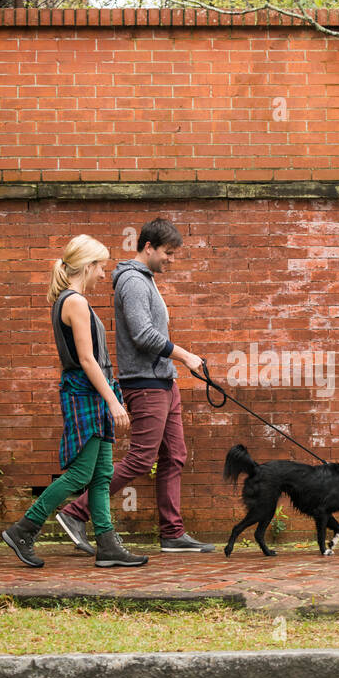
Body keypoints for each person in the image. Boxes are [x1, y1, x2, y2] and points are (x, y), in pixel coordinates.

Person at [55, 217, 215, 554]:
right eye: (168, 253)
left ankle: (172, 533)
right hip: (145, 382)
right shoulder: (132, 282)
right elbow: (142, 335)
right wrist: (184, 355)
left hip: (163, 380)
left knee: (175, 455)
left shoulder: (147, 280)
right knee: (142, 458)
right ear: (148, 247)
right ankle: (74, 512)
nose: (172, 259)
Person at [1, 234, 148, 569]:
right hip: (88, 392)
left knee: (101, 474)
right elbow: (86, 359)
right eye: (100, 267)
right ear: (87, 265)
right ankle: (25, 528)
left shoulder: (70, 300)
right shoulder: (75, 302)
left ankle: (107, 546)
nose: (102, 275)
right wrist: (113, 401)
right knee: (81, 473)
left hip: (91, 392)